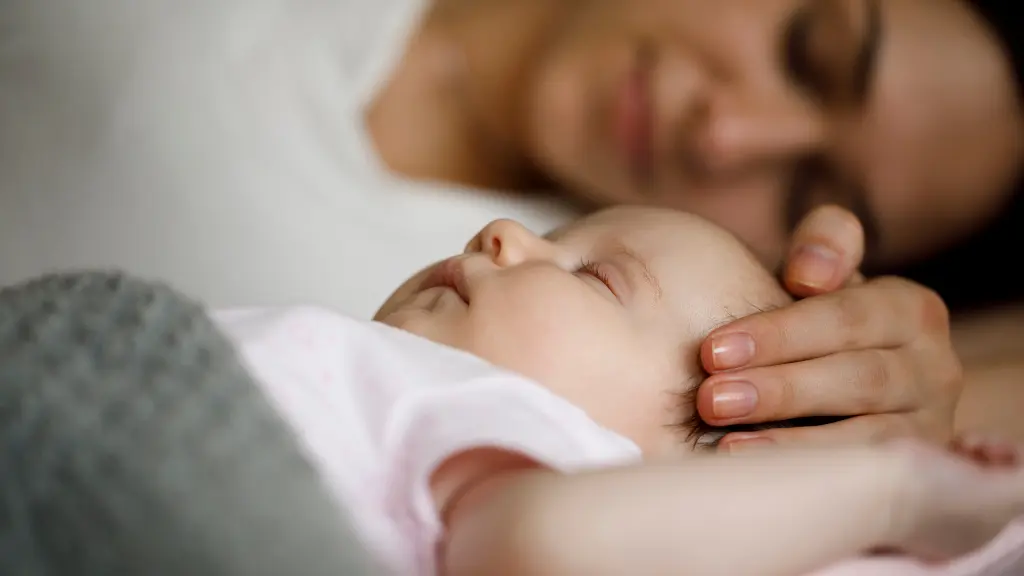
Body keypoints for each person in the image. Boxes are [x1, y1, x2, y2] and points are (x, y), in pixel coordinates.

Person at [0, 0, 1018, 449]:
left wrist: (894, 410)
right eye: (808, 46)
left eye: (801, 190)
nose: (730, 135)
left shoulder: (552, 375)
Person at [208, 206, 1024, 574]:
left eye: (596, 277)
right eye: (555, 238)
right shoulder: (381, 386)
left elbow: (540, 544)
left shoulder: (542, 446)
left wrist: (895, 495)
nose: (503, 234)